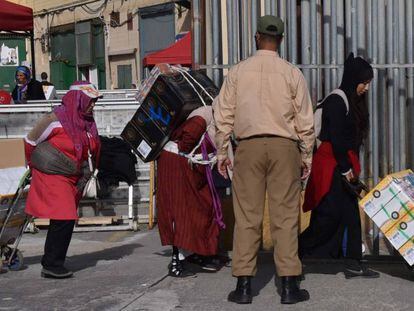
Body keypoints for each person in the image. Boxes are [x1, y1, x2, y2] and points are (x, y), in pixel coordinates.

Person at [214, 15, 314, 305]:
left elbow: (223, 115)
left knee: (247, 216)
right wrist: (305, 155)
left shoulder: (237, 72)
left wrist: (223, 151)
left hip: (248, 146)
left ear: (257, 37)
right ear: (280, 40)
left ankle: (244, 286)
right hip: (285, 147)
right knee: (285, 217)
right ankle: (289, 286)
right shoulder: (292, 73)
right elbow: (305, 120)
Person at [299, 53, 380, 279]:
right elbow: (336, 139)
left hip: (341, 164)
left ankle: (354, 261)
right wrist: (346, 171)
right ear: (355, 79)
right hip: (332, 166)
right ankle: (293, 252)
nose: (366, 87)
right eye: (365, 82)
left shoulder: (349, 100)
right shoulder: (337, 101)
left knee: (350, 214)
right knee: (328, 217)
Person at [24, 81, 102, 279]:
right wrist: (34, 165)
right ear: (78, 100)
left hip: (72, 175)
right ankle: (51, 264)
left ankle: (53, 260)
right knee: (65, 215)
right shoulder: (54, 119)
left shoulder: (87, 121)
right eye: (90, 101)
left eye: (94, 101)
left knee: (63, 218)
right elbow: (31, 141)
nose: (94, 105)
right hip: (52, 173)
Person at [156, 105, 224, 277]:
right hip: (177, 166)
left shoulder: (214, 116)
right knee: (180, 212)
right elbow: (186, 141)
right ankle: (177, 260)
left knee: (203, 207)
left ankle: (197, 253)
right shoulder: (203, 116)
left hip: (191, 166)